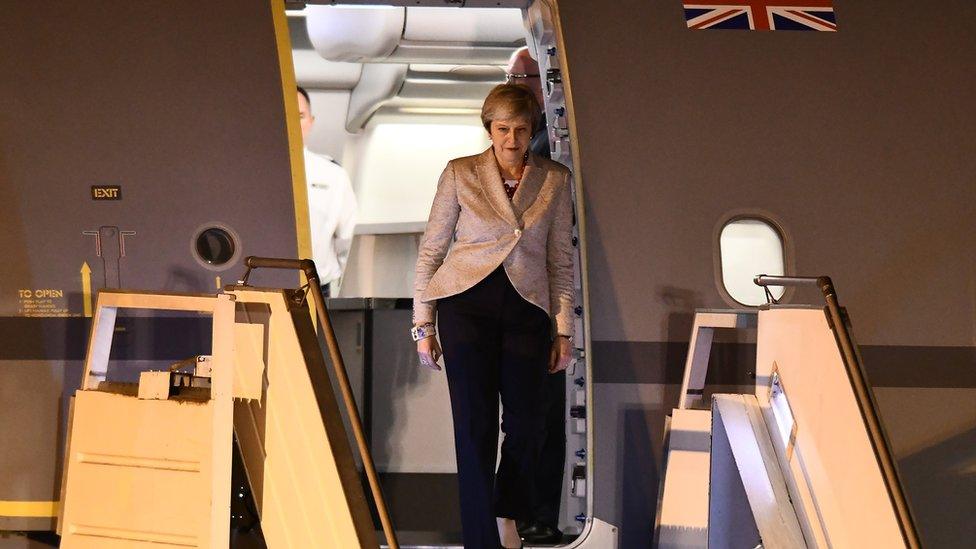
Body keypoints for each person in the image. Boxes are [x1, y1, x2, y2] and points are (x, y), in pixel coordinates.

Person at [412, 83, 575, 549]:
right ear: (489, 128)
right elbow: (431, 252)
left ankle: (507, 511)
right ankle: (482, 538)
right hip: (466, 305)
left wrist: (563, 330)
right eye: (503, 129)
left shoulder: (554, 179)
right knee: (474, 423)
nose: (511, 139)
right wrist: (423, 325)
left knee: (528, 422)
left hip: (527, 308)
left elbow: (560, 262)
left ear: (532, 131)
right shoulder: (461, 173)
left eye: (521, 130)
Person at [505, 47, 566, 546]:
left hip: (539, 301)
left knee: (538, 415)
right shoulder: (485, 164)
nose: (517, 83)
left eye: (523, 76)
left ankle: (536, 514)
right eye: (510, 76)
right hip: (502, 303)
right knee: (521, 417)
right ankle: (520, 513)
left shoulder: (555, 153)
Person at [297, 86, 357, 296]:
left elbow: (347, 239)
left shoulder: (332, 174)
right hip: (265, 285)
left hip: (317, 289)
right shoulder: (254, 172)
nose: (293, 123)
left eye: (300, 116)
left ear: (311, 121)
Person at [506, 47, 551, 160]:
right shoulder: (533, 129)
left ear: (542, 80)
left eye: (515, 77)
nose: (508, 84)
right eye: (508, 77)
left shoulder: (549, 139)